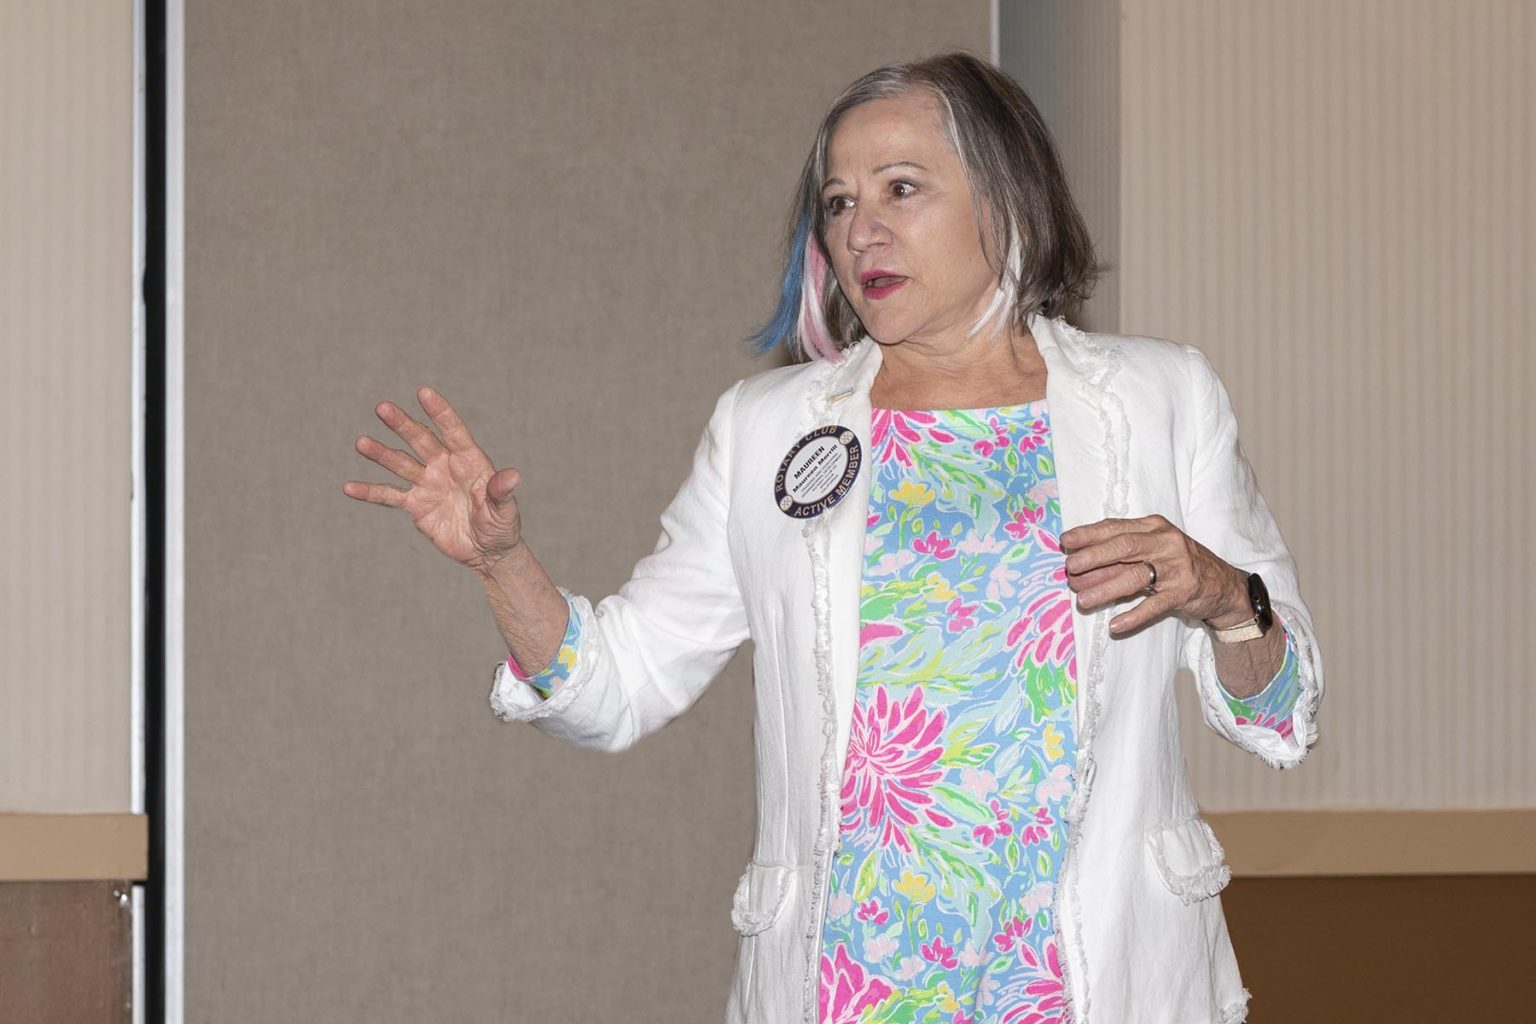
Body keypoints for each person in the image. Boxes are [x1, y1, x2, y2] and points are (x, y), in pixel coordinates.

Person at [344, 52, 1321, 1024]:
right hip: (850, 988)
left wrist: (1227, 598)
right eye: (840, 202)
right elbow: (618, 686)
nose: (862, 231)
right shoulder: (766, 428)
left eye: (902, 189)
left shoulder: (1158, 401)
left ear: (1007, 201)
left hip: (1099, 986)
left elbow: (1282, 717)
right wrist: (503, 564)